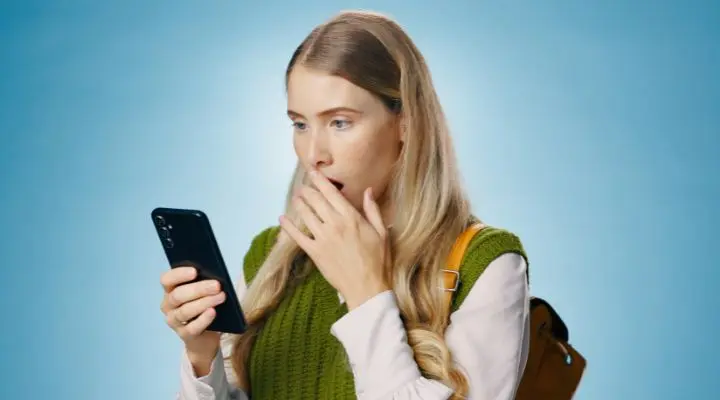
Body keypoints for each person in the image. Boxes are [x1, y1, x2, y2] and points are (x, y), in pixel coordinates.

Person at [160, 9, 530, 400]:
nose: (314, 154)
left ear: (406, 124)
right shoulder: (269, 260)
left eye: (340, 122)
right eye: (300, 124)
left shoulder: (485, 265)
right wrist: (203, 357)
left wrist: (367, 293)